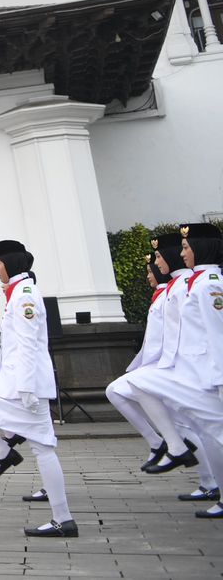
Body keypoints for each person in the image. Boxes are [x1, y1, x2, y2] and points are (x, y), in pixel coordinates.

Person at [0, 240, 78, 537]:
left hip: (25, 386)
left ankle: (63, 518)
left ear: (11, 263)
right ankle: (4, 448)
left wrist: (29, 389)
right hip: (12, 381)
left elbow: (30, 345)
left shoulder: (25, 295)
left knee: (44, 448)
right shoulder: (17, 293)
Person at [123, 222, 223, 521]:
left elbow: (217, 334)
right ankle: (177, 448)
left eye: (187, 247)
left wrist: (219, 380)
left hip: (206, 374)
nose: (183, 253)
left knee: (216, 434)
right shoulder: (197, 282)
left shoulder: (210, 284)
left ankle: (180, 452)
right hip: (189, 372)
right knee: (137, 383)